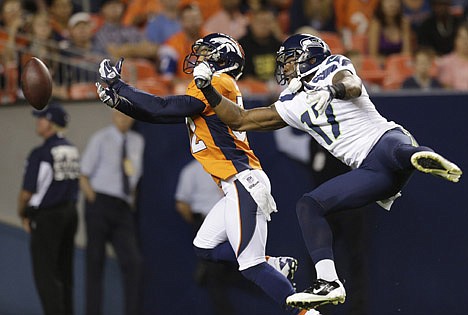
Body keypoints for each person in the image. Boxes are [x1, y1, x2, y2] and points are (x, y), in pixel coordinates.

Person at [190, 33, 463, 310]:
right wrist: (207, 89)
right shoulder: (292, 102)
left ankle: (419, 156)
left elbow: (352, 84)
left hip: (386, 144)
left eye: (289, 61)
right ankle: (329, 281)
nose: (284, 68)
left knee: (393, 147)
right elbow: (241, 119)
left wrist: (331, 91)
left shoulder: (332, 67)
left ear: (308, 56)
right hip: (373, 174)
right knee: (308, 205)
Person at [96, 32, 318, 315]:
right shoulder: (216, 85)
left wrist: (120, 86)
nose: (199, 59)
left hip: (242, 181)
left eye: (206, 54)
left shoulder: (217, 83)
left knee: (250, 266)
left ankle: (304, 312)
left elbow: (162, 107)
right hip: (235, 184)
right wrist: (119, 101)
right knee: (205, 246)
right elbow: (158, 114)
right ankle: (274, 265)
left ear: (221, 58)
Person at [80, 109, 145, 315]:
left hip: (123, 207)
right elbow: (83, 174)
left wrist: (130, 201)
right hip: (100, 202)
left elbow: (135, 175)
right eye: (119, 115)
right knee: (95, 263)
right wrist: (93, 200)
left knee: (134, 263)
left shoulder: (137, 141)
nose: (123, 119)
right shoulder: (101, 138)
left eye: (127, 116)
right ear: (112, 115)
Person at [17, 104, 80, 315]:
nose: (38, 121)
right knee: (64, 273)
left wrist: (22, 213)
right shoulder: (71, 148)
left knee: (46, 276)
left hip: (48, 218)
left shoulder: (41, 153)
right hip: (70, 214)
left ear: (51, 123)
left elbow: (27, 192)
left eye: (41, 118)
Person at [436, 22, 468, 90]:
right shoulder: (446, 62)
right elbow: (447, 91)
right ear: (455, 40)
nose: (466, 42)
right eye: (463, 38)